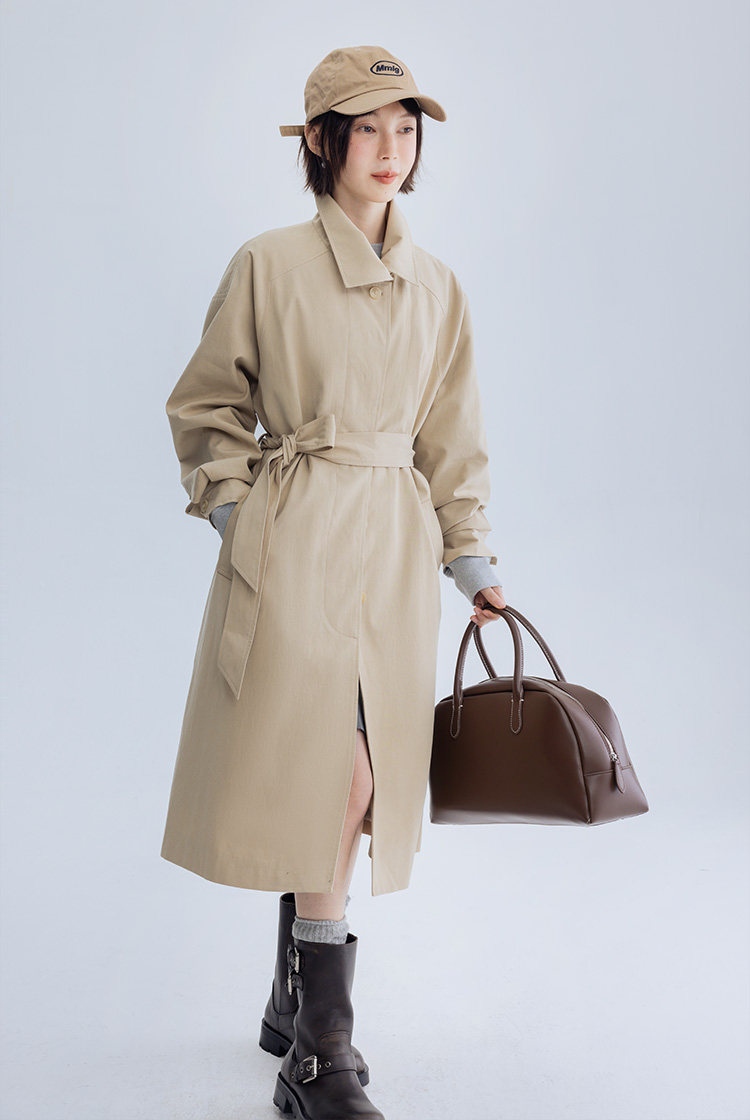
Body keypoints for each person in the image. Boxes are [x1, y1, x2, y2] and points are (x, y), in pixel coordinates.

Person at [161, 44, 506, 1119]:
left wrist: (471, 558)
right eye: (368, 129)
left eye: (406, 129)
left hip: (395, 552)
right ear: (322, 142)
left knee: (358, 780)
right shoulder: (267, 264)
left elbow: (452, 438)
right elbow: (207, 406)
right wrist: (242, 517)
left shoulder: (438, 285)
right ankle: (323, 1051)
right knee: (334, 774)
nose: (392, 150)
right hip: (296, 542)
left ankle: (291, 995)